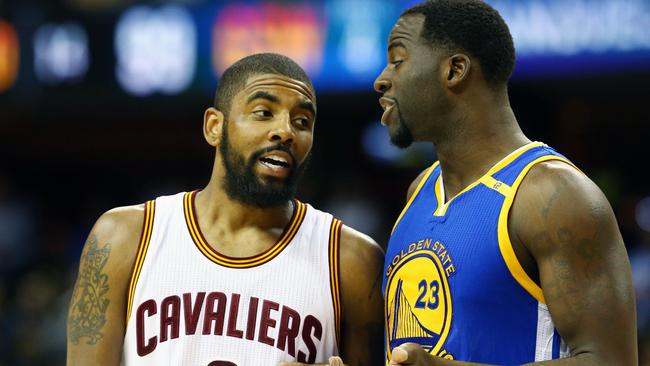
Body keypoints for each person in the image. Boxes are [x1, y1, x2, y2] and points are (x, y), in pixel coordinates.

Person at [66, 53, 384, 366]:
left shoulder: (351, 259)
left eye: (302, 121)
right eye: (263, 112)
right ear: (214, 127)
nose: (286, 131)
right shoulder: (124, 236)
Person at [372, 1, 638, 365]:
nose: (382, 79)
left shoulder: (552, 196)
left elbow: (612, 361)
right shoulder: (418, 191)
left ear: (455, 70)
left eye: (398, 59)